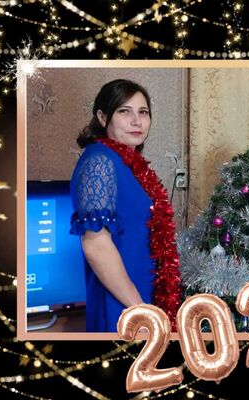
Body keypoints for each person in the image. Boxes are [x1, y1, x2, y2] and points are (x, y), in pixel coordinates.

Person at [70, 79, 181, 332]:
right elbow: (96, 245)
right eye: (124, 111)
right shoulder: (100, 161)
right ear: (102, 117)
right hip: (123, 304)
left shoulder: (127, 162)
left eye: (143, 112)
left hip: (142, 293)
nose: (136, 121)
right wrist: (140, 311)